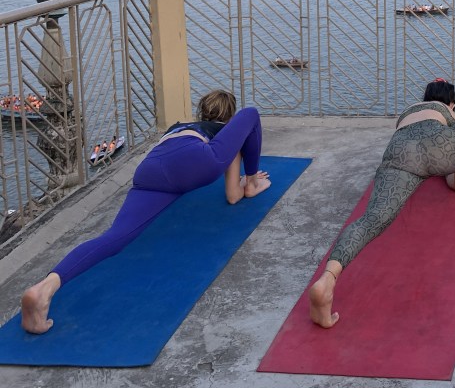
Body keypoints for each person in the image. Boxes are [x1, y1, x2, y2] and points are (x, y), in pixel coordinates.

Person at [20, 90, 271, 334]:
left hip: (150, 170)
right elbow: (232, 196)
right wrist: (245, 183)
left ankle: (45, 287)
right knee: (252, 113)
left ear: (201, 112)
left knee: (114, 238)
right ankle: (253, 181)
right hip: (194, 161)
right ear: (228, 118)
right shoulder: (225, 132)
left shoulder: (178, 128)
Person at [309, 79, 455, 328]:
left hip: (401, 153)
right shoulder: (447, 110)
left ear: (424, 97)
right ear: (452, 102)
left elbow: (419, 150)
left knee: (370, 220)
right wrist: (454, 161)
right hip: (441, 147)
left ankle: (327, 280)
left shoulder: (410, 111)